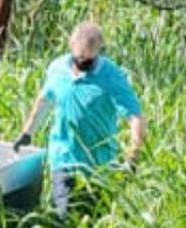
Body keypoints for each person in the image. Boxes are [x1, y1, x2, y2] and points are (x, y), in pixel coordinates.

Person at [13, 21, 145, 216]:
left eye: (89, 61)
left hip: (99, 164)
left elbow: (135, 117)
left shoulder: (111, 76)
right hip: (63, 158)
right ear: (70, 45)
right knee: (62, 216)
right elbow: (45, 100)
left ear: (100, 49)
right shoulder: (57, 68)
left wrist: (132, 156)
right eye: (79, 59)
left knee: (94, 219)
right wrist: (27, 132)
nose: (83, 65)